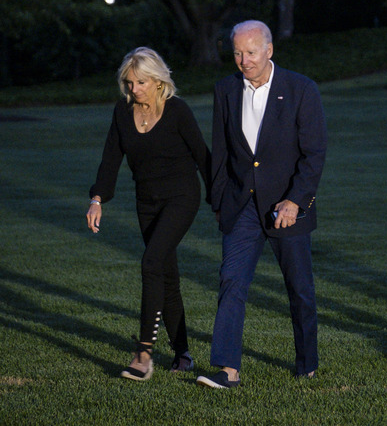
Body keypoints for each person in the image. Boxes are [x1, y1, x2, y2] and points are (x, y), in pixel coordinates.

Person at [196, 20, 327, 389]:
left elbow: (314, 153)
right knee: (231, 281)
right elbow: (220, 153)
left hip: (287, 208)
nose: (243, 60)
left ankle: (307, 363)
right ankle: (227, 368)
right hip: (241, 207)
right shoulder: (225, 90)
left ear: (269, 50)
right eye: (237, 53)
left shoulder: (301, 89)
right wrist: (219, 201)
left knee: (299, 288)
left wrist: (295, 201)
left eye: (251, 52)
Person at [86, 47, 211, 381]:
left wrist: (221, 200)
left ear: (158, 81)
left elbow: (203, 156)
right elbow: (110, 158)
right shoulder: (123, 112)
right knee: (165, 275)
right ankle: (183, 354)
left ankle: (143, 354)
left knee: (151, 262)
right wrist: (97, 198)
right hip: (147, 203)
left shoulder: (178, 112)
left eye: (140, 82)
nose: (133, 89)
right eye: (129, 82)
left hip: (181, 198)